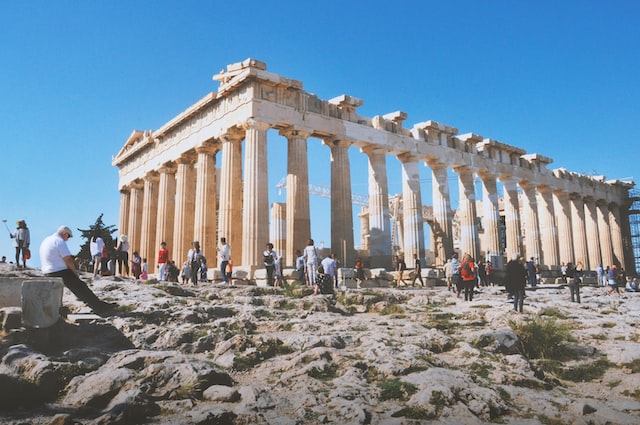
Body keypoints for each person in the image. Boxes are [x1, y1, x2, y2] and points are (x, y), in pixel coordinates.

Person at [39, 225, 116, 315]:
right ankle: (99, 307)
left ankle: (94, 304)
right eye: (68, 236)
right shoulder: (59, 241)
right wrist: (75, 272)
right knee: (81, 286)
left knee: (77, 286)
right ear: (64, 234)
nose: (67, 239)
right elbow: (68, 259)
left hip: (46, 272)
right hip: (58, 271)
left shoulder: (47, 240)